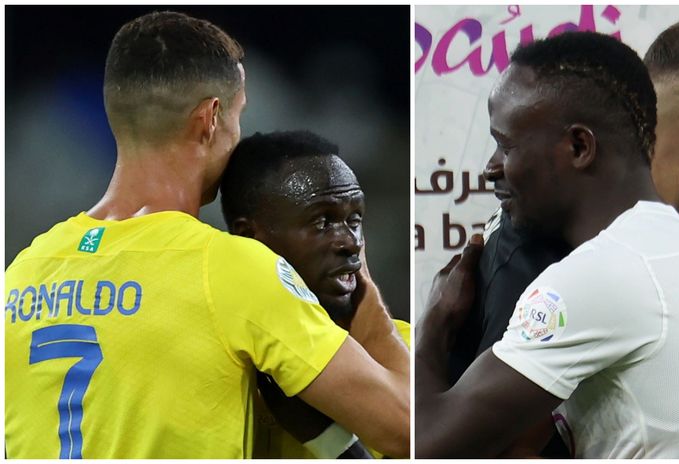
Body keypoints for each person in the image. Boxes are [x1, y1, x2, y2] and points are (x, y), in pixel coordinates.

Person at [5, 12, 409, 459]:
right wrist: (367, 292)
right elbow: (407, 432)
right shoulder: (228, 269)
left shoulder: (22, 274)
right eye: (238, 116)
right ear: (210, 118)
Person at [416, 31, 679, 458]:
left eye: (506, 145)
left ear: (580, 146)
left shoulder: (599, 274)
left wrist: (433, 326)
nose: (491, 168)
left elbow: (429, 445)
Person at [219, 130, 410, 458]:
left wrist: (331, 442)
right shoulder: (220, 353)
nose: (350, 242)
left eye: (354, 219)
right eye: (322, 222)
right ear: (249, 236)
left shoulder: (403, 351)